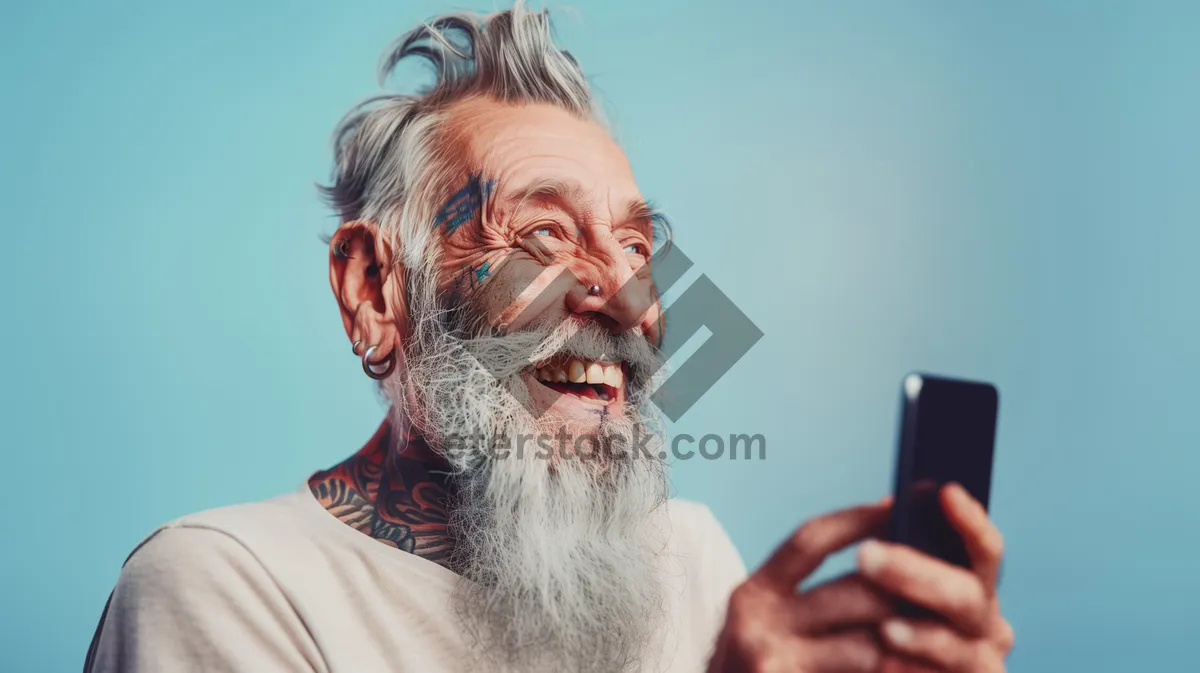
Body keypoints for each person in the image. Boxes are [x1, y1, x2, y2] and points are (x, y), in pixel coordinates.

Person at [84, 4, 1013, 672]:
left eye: (638, 245)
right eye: (544, 237)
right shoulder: (223, 585)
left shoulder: (690, 560)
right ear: (376, 289)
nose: (626, 299)